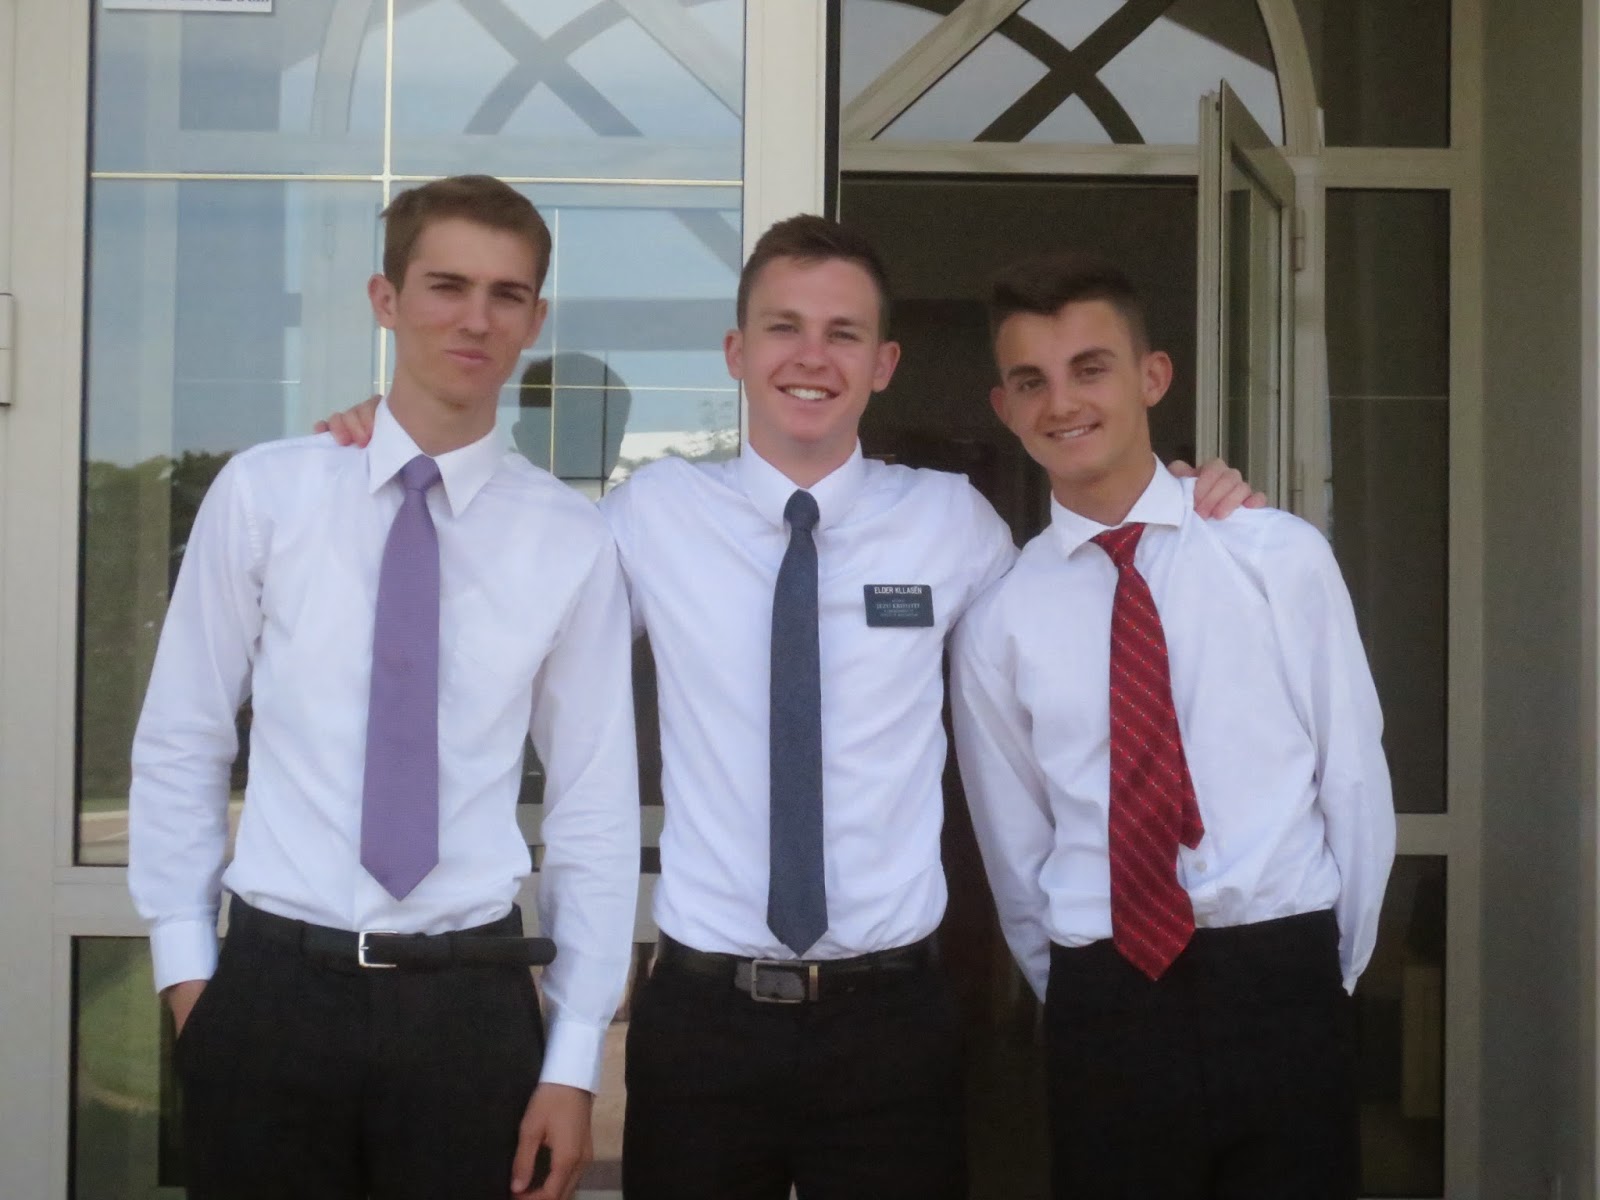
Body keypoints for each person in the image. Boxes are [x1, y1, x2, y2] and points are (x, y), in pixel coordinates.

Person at [319, 214, 1256, 1199]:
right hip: (703, 1023)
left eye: (843, 333)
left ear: (884, 364)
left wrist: (1176, 497)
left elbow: (1076, 606)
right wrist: (399, 439)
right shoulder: (652, 516)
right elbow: (500, 598)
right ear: (736, 351)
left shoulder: (952, 523)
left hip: (893, 1024)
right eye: (783, 328)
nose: (812, 357)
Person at [128, 174, 640, 1200]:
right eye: (447, 285)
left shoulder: (571, 540)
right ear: (386, 298)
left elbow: (592, 805)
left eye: (506, 294)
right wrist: (190, 978)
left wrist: (575, 1054)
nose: (475, 318)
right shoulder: (268, 493)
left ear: (535, 319)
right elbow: (184, 735)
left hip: (469, 1008)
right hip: (272, 994)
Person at [950, 252, 1396, 1200]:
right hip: (1108, 999)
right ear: (1004, 406)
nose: (1062, 402)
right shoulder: (1001, 620)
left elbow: (1353, 779)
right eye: (1031, 380)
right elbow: (1016, 846)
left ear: (1153, 376)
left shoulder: (1276, 557)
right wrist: (1083, 992)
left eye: (1091, 368)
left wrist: (1328, 975)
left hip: (1279, 975)